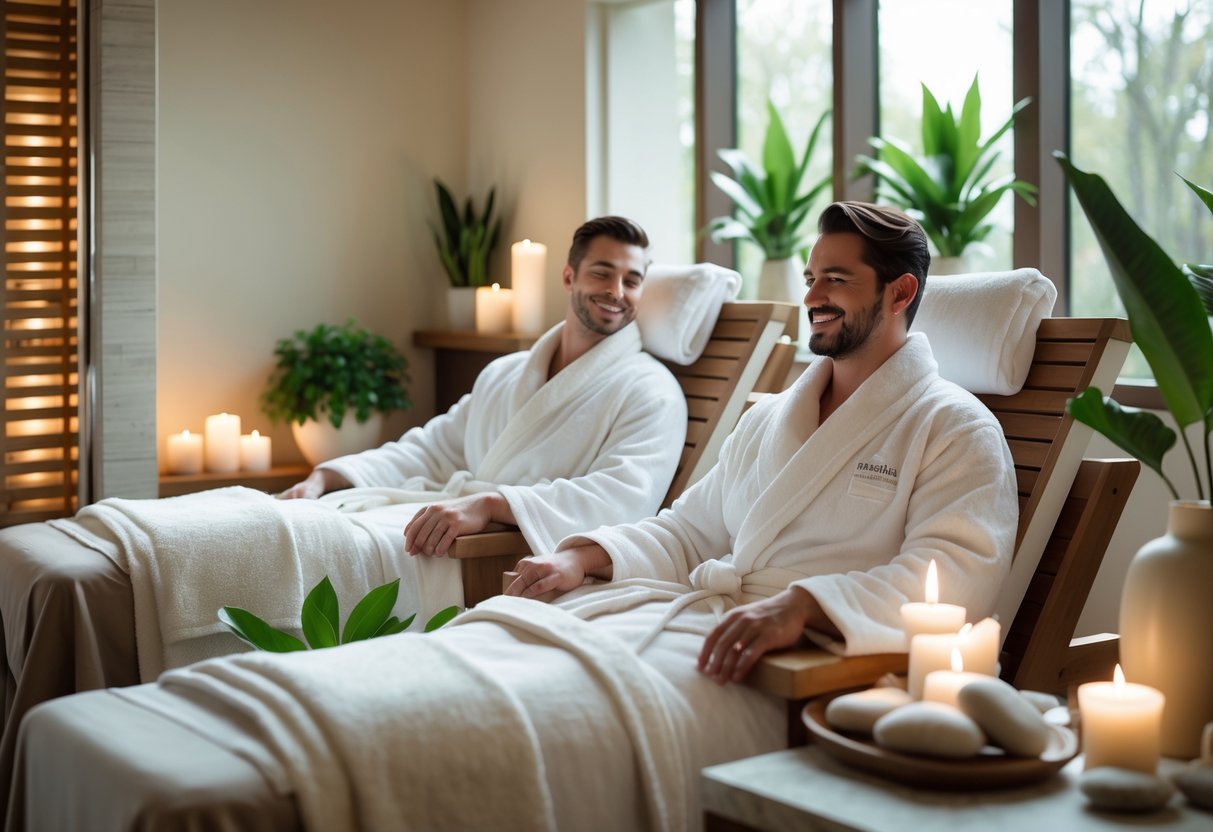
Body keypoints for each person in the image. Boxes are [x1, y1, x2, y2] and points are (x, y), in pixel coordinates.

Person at [11, 203, 1018, 831]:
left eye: (834, 280)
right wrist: (584, 556)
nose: (813, 298)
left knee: (438, 712)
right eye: (810, 278)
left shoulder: (953, 431)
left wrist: (804, 604)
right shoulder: (775, 413)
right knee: (445, 664)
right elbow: (689, 526)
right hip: (657, 618)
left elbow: (956, 574)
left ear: (901, 295)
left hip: (759, 667)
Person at [0, 216, 687, 814]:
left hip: (474, 543)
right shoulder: (509, 372)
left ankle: (143, 577)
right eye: (603, 272)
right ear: (569, 274)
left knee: (283, 535)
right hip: (418, 511)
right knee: (278, 517)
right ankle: (141, 542)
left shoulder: (648, 391)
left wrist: (493, 504)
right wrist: (335, 472)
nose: (616, 292)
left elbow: (626, 497)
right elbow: (432, 443)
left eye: (632, 280)